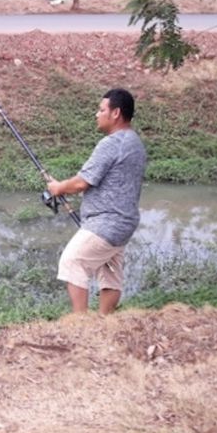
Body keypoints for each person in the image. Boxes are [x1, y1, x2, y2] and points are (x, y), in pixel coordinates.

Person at [46, 88, 146, 315]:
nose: (96, 114)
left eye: (101, 110)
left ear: (115, 113)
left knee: (72, 262)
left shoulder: (111, 143)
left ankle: (81, 322)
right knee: (110, 272)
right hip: (124, 223)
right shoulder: (135, 143)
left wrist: (58, 188)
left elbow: (83, 182)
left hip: (106, 223)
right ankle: (104, 321)